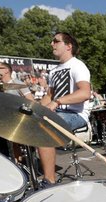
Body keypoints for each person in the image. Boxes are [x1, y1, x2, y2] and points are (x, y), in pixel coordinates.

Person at [38, 32, 91, 186]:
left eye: (56, 41)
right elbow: (49, 95)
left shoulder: (77, 65)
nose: (51, 44)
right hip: (59, 112)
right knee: (27, 123)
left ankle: (49, 180)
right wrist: (33, 109)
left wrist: (58, 102)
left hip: (76, 114)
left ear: (69, 46)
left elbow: (84, 93)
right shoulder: (54, 71)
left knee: (44, 129)